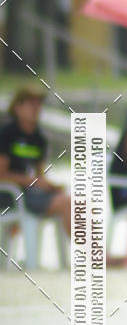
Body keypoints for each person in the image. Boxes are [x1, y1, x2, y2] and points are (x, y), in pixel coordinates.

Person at [0, 86, 70, 234]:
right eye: (31, 104)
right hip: (8, 194)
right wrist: (31, 181)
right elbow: (2, 176)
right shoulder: (7, 134)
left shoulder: (39, 139)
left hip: (27, 193)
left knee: (77, 202)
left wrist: (50, 186)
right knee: (67, 203)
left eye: (38, 104)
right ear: (18, 108)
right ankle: (93, 254)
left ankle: (95, 251)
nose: (36, 108)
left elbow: (40, 176)